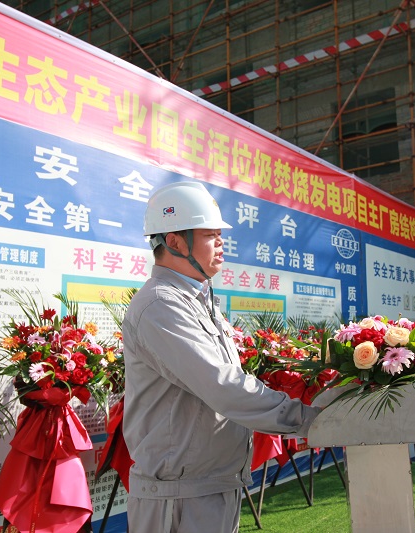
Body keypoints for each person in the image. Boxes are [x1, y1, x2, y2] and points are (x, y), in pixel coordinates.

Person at [122, 181, 322, 532]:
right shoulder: (161, 305)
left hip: (208, 487)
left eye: (220, 235)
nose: (221, 243)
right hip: (179, 500)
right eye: (210, 235)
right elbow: (223, 385)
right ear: (175, 242)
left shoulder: (196, 301)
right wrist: (308, 419)